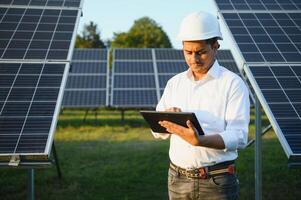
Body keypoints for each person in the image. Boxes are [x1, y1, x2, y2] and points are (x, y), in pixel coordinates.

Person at [151, 11, 250, 200]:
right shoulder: (175, 83)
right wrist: (166, 118)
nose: (194, 59)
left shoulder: (232, 83)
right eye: (188, 52)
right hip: (177, 179)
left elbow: (239, 136)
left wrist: (200, 140)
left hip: (217, 182)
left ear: (215, 46)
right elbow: (157, 132)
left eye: (201, 52)